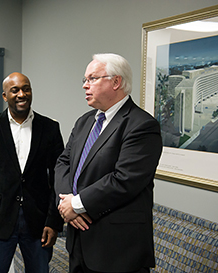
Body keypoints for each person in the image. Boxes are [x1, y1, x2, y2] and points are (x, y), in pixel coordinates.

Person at [55, 53, 163, 273]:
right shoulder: (85, 121)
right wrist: (67, 202)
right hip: (79, 242)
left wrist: (76, 204)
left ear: (116, 82)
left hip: (117, 250)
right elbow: (63, 162)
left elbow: (125, 180)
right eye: (84, 80)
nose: (85, 86)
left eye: (92, 78)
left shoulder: (142, 125)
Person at [0, 72, 65, 273]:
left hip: (38, 222)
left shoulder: (49, 128)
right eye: (15, 90)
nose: (22, 94)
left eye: (26, 89)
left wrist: (54, 222)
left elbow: (59, 178)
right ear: (5, 96)